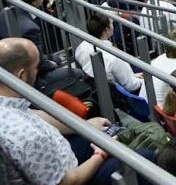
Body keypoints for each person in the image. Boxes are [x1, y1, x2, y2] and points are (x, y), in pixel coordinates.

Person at [0, 38, 110, 184]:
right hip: (72, 176)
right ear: (22, 75)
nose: (38, 71)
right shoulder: (29, 136)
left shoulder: (9, 105)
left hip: (58, 154)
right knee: (134, 159)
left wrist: (86, 125)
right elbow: (67, 182)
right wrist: (100, 153)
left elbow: (34, 115)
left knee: (105, 134)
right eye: (36, 67)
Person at [74, 14, 144, 93]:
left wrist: (133, 76)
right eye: (111, 23)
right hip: (120, 93)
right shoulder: (114, 58)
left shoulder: (81, 47)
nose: (113, 26)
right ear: (107, 30)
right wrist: (144, 81)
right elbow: (131, 86)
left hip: (99, 88)